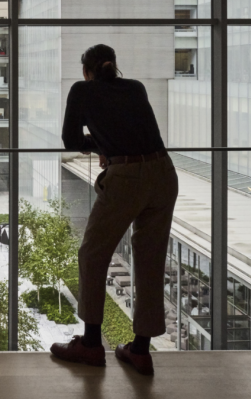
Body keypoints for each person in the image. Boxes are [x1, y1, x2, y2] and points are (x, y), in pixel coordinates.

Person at [49, 44, 178, 376]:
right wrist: (110, 145)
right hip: (163, 172)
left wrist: (102, 146)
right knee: (150, 260)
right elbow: (139, 131)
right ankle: (140, 350)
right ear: (114, 66)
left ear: (86, 71)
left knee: (93, 253)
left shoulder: (82, 90)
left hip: (127, 177)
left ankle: (91, 344)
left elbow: (70, 140)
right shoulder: (136, 87)